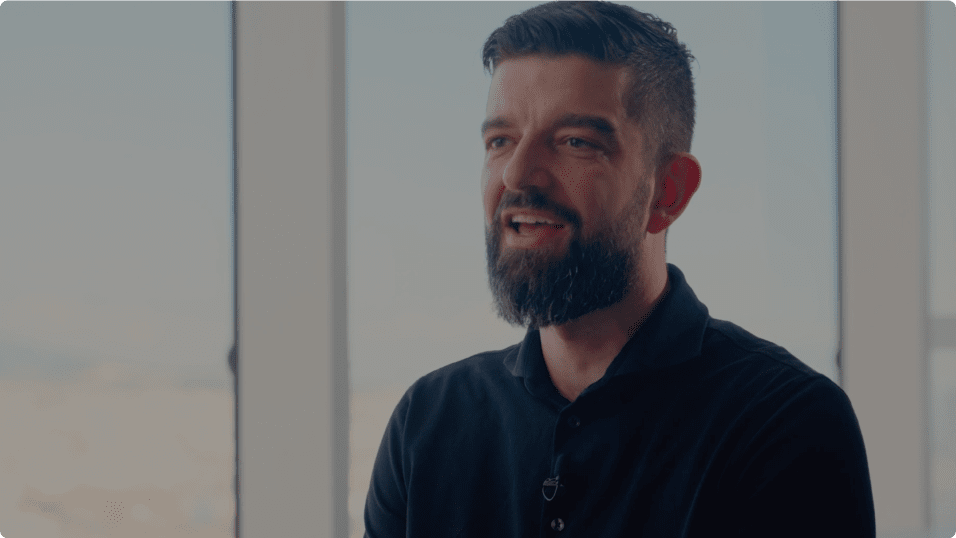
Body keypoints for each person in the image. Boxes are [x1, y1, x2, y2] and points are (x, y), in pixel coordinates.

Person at [364, 2, 876, 536]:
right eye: (501, 140)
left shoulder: (787, 425)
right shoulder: (425, 426)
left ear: (669, 192)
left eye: (575, 142)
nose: (517, 174)